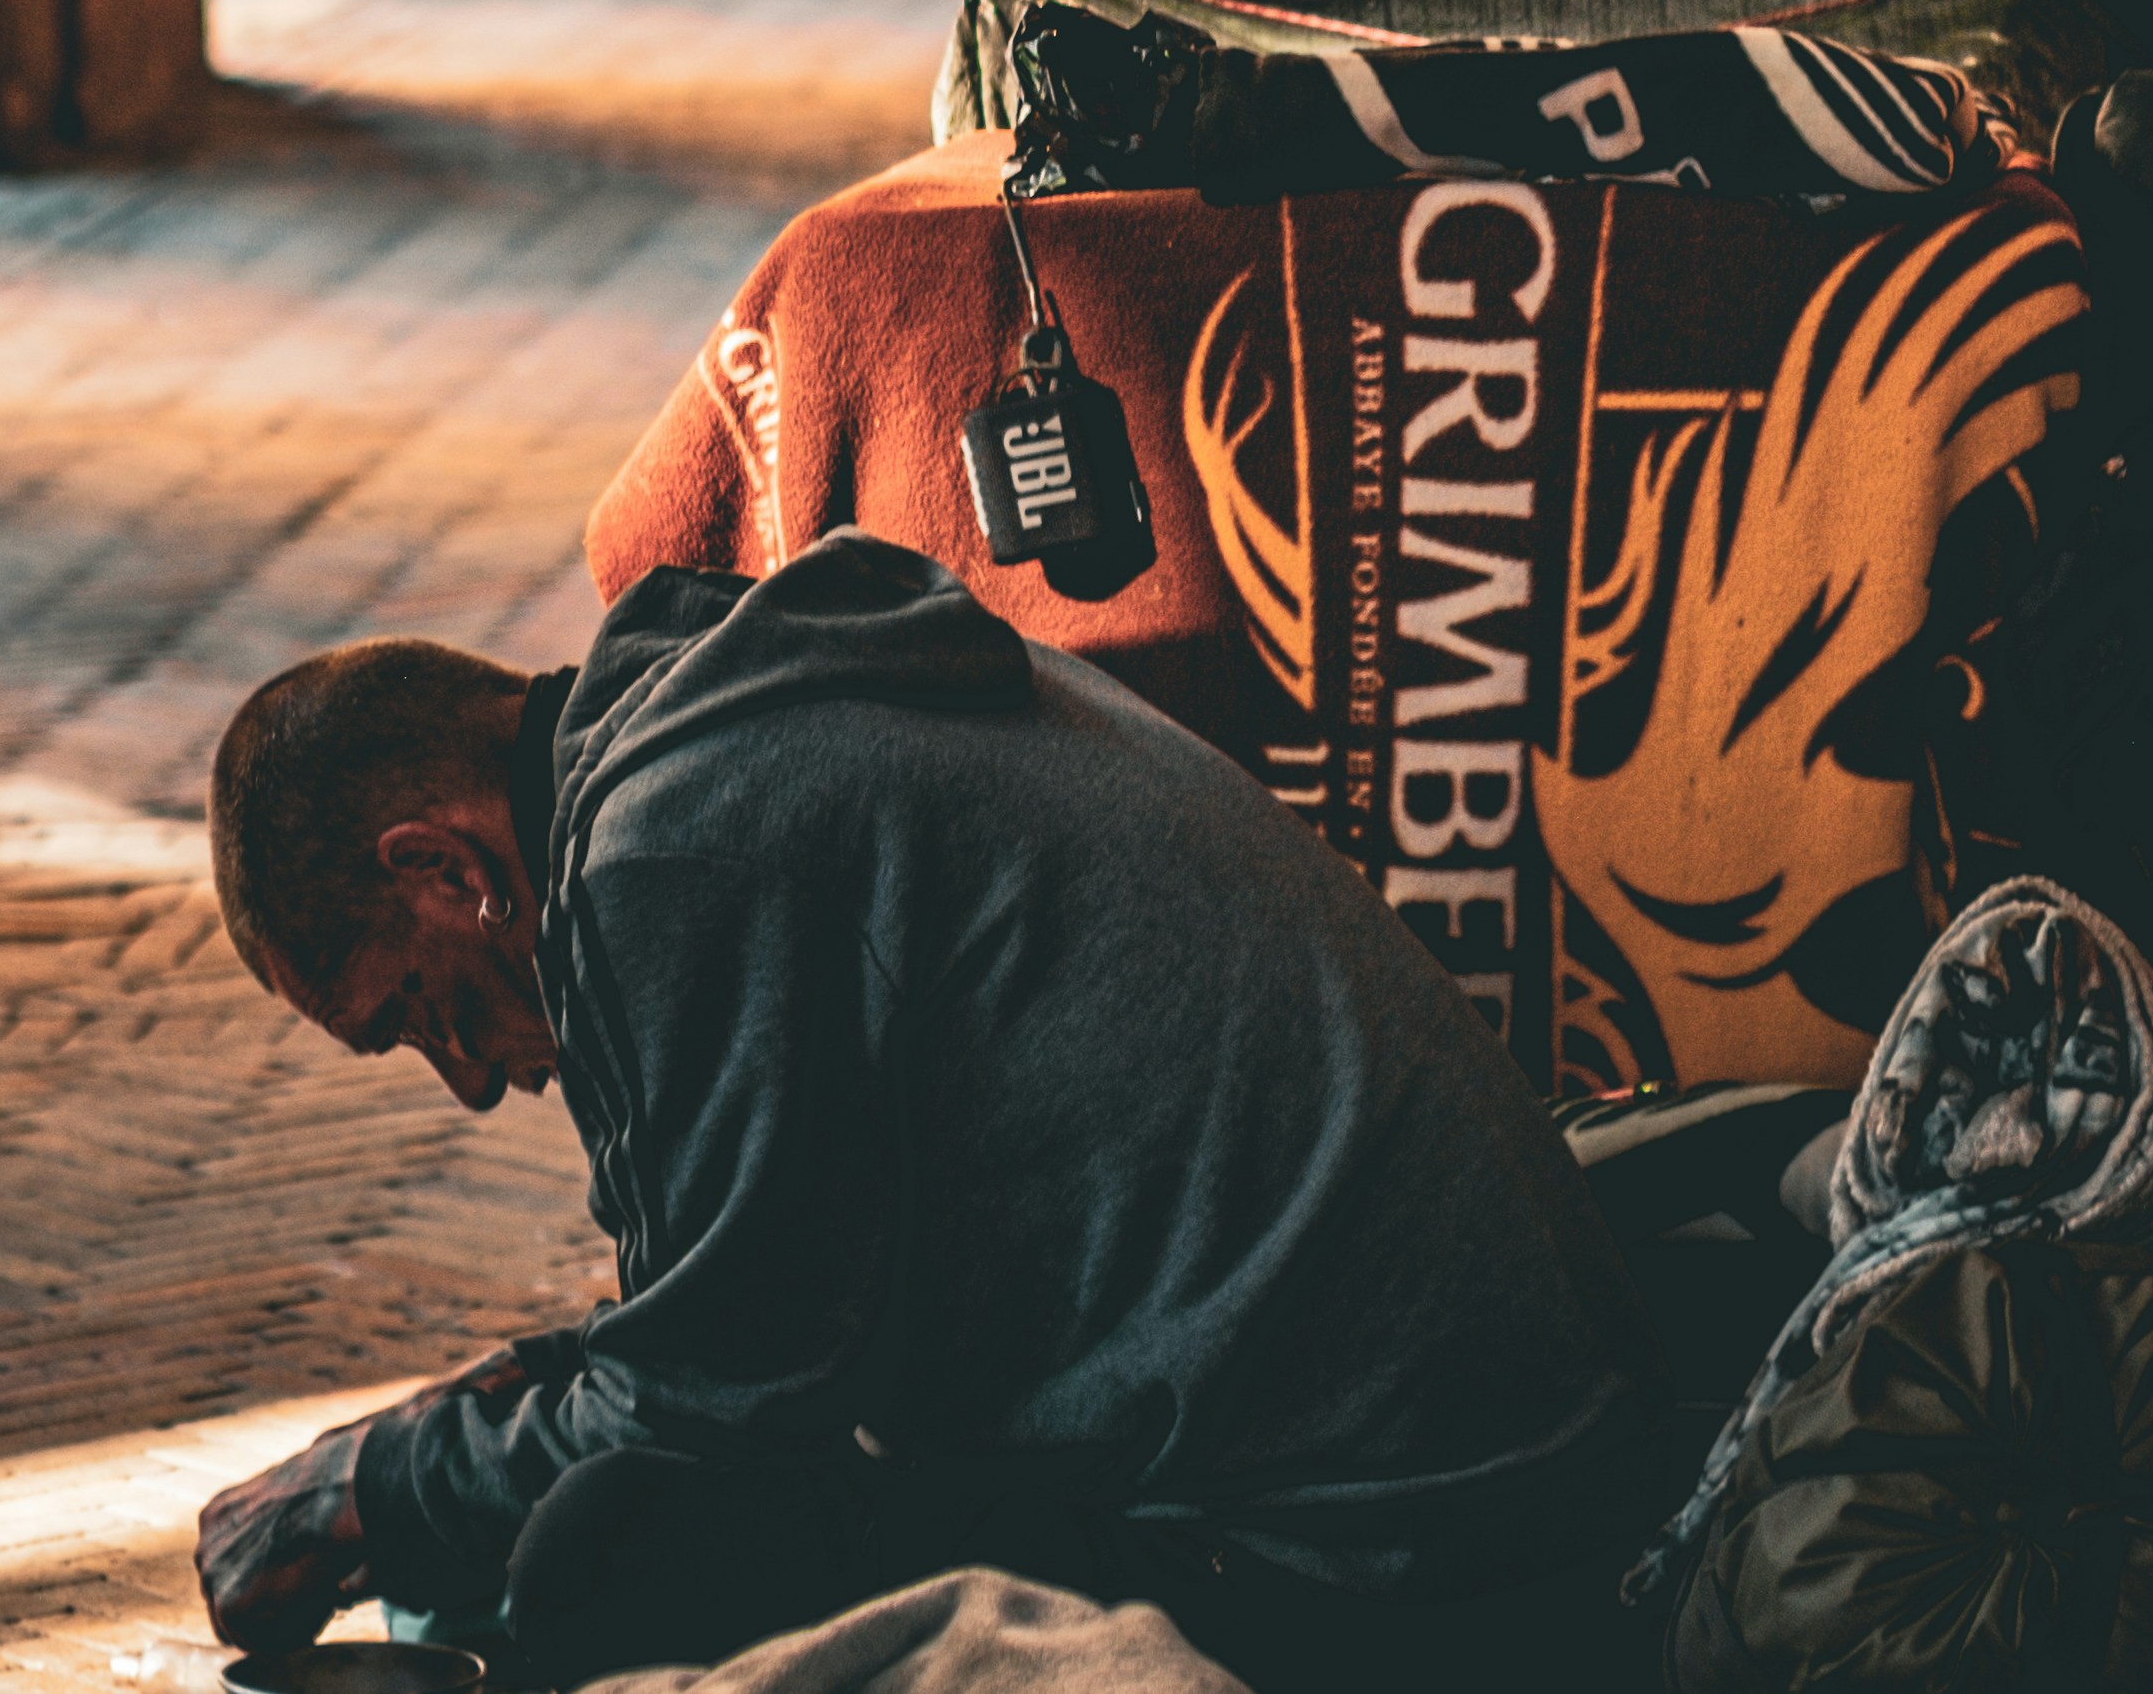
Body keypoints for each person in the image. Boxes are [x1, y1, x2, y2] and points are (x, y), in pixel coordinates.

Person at [193, 529, 1664, 1691]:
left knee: (608, 1553)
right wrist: (480, 1410)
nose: (466, 1076)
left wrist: (367, 1495)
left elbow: (715, 1413)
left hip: (1384, 1557)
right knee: (544, 1521)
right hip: (1493, 1464)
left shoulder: (677, 852)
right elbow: (772, 1300)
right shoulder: (727, 734)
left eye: (421, 1012)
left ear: (445, 873)